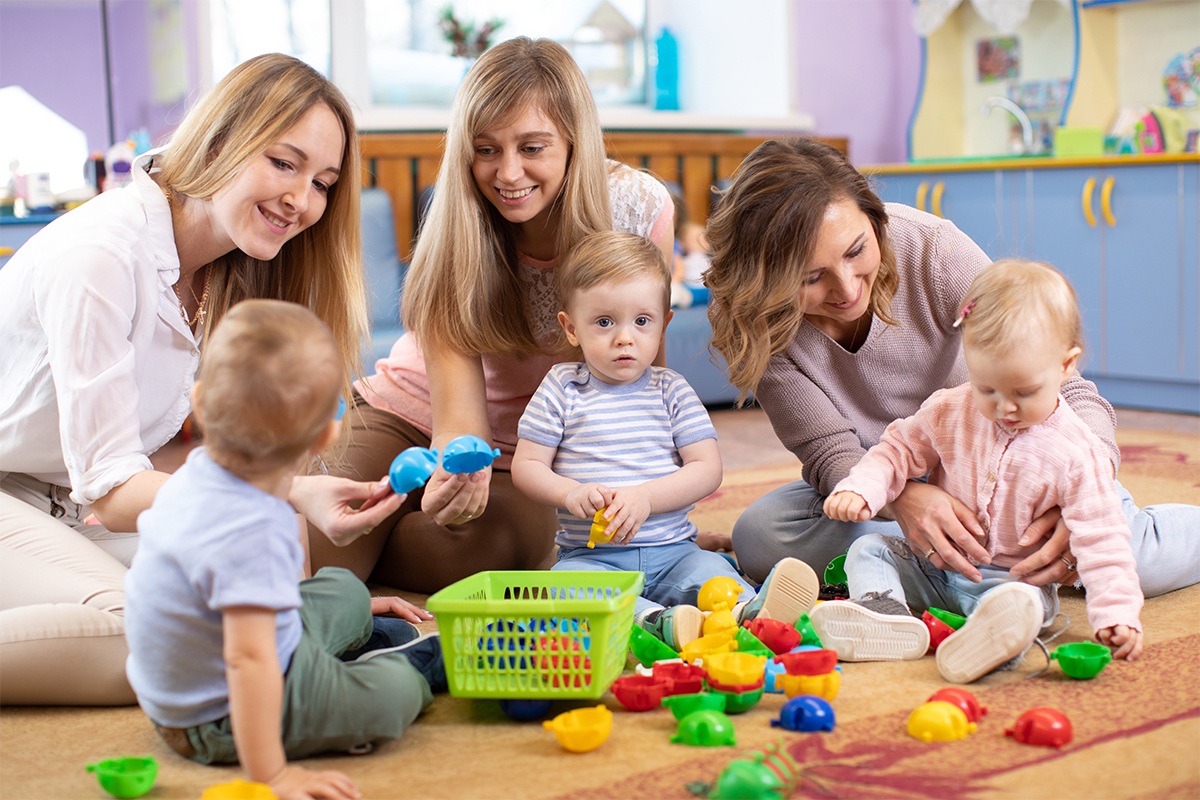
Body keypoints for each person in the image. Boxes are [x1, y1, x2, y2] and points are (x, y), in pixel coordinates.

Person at [0, 53, 410, 706]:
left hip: (68, 506)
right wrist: (267, 498)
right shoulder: (101, 258)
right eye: (284, 162)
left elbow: (159, 456)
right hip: (15, 500)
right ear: (221, 137)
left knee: (226, 623)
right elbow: (111, 489)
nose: (302, 201)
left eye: (323, 182)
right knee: (142, 640)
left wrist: (291, 607)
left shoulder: (222, 271)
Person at [703, 137, 1200, 599]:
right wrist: (907, 500)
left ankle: (960, 566)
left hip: (1020, 463)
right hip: (889, 476)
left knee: (1120, 555)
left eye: (857, 251)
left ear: (875, 220)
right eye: (811, 278)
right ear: (764, 279)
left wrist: (1086, 490)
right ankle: (976, 564)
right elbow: (830, 454)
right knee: (761, 536)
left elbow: (1069, 390)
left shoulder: (932, 249)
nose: (848, 288)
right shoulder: (757, 320)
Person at [310, 37, 675, 594]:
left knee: (477, 551)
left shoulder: (637, 208)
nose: (508, 174)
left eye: (532, 148)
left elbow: (642, 381)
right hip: (410, 408)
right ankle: (352, 536)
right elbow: (459, 423)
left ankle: (371, 544)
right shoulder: (459, 221)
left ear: (575, 141)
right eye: (486, 149)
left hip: (537, 448)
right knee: (320, 537)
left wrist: (654, 514)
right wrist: (458, 469)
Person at [126, 300, 445, 800]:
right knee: (394, 696)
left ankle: (355, 635)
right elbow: (249, 660)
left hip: (205, 674)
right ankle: (412, 661)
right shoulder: (254, 532)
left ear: (201, 403)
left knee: (343, 588)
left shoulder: (194, 472)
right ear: (325, 435)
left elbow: (252, 599)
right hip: (219, 713)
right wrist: (271, 775)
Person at [812, 260, 1143, 683]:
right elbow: (895, 450)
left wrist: (1116, 615)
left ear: (1066, 365)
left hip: (1009, 583)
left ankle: (989, 640)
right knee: (869, 550)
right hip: (932, 567)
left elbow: (1103, 541)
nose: (1004, 408)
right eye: (987, 389)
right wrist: (862, 488)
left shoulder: (1078, 453)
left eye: (1024, 392)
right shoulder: (950, 409)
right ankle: (884, 613)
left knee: (1025, 607)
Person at [511, 231, 818, 648]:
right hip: (591, 558)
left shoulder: (670, 389)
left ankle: (751, 614)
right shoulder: (561, 388)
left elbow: (707, 469)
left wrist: (646, 499)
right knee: (564, 589)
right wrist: (569, 493)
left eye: (642, 321)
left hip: (674, 552)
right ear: (571, 328)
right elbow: (526, 467)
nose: (625, 338)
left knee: (714, 574)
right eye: (604, 322)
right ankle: (656, 622)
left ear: (664, 323)